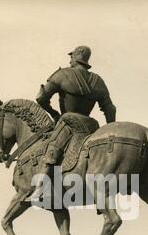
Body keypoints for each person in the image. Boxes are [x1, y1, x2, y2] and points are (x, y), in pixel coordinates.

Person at [35, 46, 116, 182]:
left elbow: (41, 98)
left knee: (53, 145)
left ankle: (41, 181)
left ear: (76, 57)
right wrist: (110, 129)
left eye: (71, 57)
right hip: (90, 127)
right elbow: (110, 109)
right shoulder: (98, 81)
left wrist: (54, 113)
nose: (70, 60)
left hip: (68, 122)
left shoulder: (62, 74)